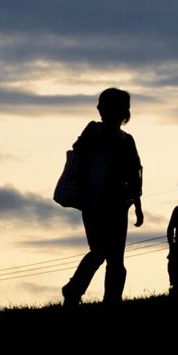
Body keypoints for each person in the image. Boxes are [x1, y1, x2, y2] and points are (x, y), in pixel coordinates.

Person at [61, 88, 144, 309]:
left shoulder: (127, 140)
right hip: (95, 202)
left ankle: (110, 300)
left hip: (117, 205)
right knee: (101, 251)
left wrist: (137, 206)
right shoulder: (94, 131)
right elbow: (79, 153)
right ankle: (74, 290)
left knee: (115, 258)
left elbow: (134, 175)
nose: (101, 110)